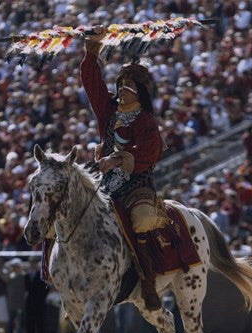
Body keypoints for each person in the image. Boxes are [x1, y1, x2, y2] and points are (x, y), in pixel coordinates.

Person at [81, 26, 168, 311]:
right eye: (120, 83)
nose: (121, 88)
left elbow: (147, 155)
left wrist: (117, 160)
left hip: (136, 186)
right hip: (105, 184)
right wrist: (91, 51)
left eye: (128, 84)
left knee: (142, 219)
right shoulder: (109, 112)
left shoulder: (146, 122)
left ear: (140, 92)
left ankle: (148, 279)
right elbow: (93, 86)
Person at [25, 256, 48, 333]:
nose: (32, 264)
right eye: (31, 263)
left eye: (34, 263)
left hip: (39, 302)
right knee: (30, 322)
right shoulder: (26, 275)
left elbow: (45, 289)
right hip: (30, 302)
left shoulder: (41, 275)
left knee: (40, 322)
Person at [6, 258, 26, 333]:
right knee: (10, 324)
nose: (13, 268)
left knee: (19, 324)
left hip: (20, 304)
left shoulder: (23, 276)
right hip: (11, 304)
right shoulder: (10, 276)